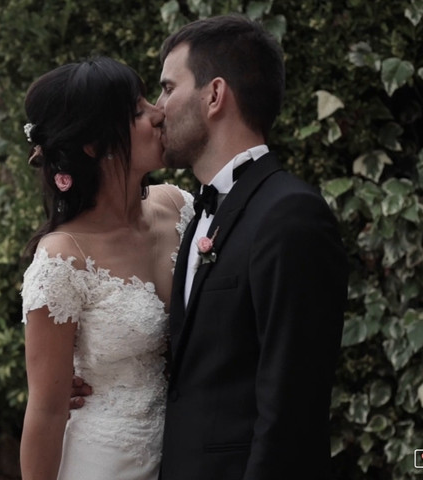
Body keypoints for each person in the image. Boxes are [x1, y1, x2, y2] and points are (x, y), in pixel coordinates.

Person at [73, 14, 348, 480]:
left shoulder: (291, 217)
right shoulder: (192, 212)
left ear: (215, 95)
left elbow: (292, 410)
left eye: (166, 87)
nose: (157, 109)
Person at [19, 57, 194, 480]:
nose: (158, 113)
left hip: (190, 453)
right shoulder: (63, 258)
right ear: (93, 145)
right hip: (106, 464)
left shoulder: (180, 206)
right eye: (137, 111)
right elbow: (44, 410)